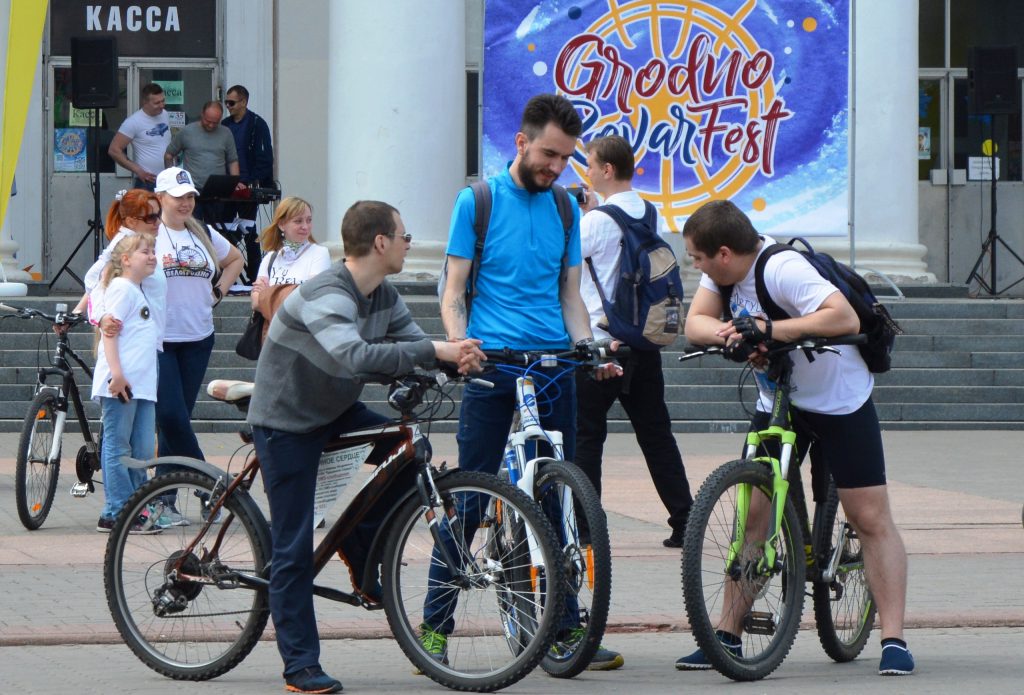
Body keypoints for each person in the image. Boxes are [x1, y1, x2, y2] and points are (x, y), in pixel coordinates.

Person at [246, 200, 484, 694]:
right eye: (404, 235)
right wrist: (432, 351)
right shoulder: (326, 293)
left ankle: (359, 549)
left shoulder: (383, 294)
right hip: (286, 421)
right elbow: (354, 356)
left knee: (404, 461)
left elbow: (413, 345)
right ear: (380, 242)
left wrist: (456, 360)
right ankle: (300, 666)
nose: (408, 243)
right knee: (292, 546)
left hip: (333, 410)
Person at [675, 199, 914, 676]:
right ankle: (727, 635)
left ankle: (893, 639)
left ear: (724, 253)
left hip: (837, 401)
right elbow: (694, 323)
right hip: (778, 402)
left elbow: (842, 318)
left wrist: (770, 328)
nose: (694, 266)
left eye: (698, 259)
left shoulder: (783, 269)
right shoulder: (720, 275)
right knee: (755, 518)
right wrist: (729, 335)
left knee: (868, 517)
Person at [434, 93, 624, 672]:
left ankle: (565, 625)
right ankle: (434, 625)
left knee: (560, 496)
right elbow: (452, 291)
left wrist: (589, 346)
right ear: (520, 142)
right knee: (470, 499)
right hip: (491, 362)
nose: (556, 167)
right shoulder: (479, 201)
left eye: (566, 158)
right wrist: (461, 345)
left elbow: (571, 296)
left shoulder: (567, 209)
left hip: (551, 361)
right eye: (548, 154)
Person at [574, 135, 693, 548]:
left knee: (586, 436)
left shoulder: (593, 222)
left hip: (602, 342)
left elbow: (566, 264)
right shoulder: (647, 210)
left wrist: (586, 217)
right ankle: (685, 520)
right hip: (642, 340)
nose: (586, 172)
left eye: (590, 164)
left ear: (606, 170)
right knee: (656, 433)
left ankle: (587, 526)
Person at [152, 166, 244, 522]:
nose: (186, 203)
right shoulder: (148, 232)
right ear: (160, 197)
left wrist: (219, 290)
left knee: (175, 424)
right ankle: (215, 485)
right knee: (172, 417)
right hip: (159, 339)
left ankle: (164, 501)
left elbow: (235, 259)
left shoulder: (202, 231)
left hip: (198, 338)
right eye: (178, 197)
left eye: (190, 196)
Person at [91, 233, 162, 534]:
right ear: (125, 260)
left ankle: (136, 505)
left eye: (152, 251)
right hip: (122, 383)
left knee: (143, 449)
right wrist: (116, 374)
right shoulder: (121, 288)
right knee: (118, 446)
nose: (151, 256)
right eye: (144, 251)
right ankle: (117, 510)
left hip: (143, 385)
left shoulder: (137, 289)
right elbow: (111, 332)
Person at [73, 189, 166, 333]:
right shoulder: (126, 243)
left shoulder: (139, 241)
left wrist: (78, 312)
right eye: (151, 217)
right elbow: (96, 277)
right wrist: (100, 317)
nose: (158, 222)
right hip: (133, 334)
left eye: (159, 214)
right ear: (130, 221)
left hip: (146, 332)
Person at [164, 101, 241, 221]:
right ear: (202, 115)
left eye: (215, 123)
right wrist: (172, 180)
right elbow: (169, 155)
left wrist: (234, 182)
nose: (211, 125)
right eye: (208, 121)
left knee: (217, 228)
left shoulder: (226, 133)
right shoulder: (187, 132)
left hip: (217, 191)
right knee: (194, 227)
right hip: (192, 190)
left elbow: (233, 160)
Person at [108, 84, 170, 191]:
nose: (162, 105)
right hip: (148, 181)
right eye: (157, 103)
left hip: (167, 179)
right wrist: (137, 170)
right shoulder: (133, 122)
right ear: (145, 102)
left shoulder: (164, 114)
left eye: (163, 101)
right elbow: (114, 150)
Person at [222, 85, 274, 188]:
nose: (228, 106)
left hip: (248, 185)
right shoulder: (225, 124)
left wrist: (252, 182)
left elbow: (265, 158)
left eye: (231, 103)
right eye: (226, 102)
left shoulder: (257, 124)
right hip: (228, 185)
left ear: (243, 102)